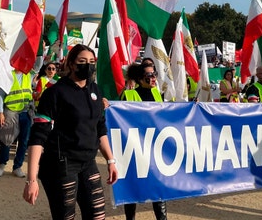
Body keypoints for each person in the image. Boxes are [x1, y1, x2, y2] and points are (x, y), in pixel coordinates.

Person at [23, 44, 118, 219]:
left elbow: (100, 129)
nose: (88, 65)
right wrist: (31, 179)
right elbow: (38, 137)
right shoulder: (55, 93)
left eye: (91, 61)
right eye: (82, 61)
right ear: (72, 64)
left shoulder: (95, 90)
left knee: (97, 215)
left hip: (88, 163)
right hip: (61, 165)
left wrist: (111, 160)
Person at [121, 62, 167, 220]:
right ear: (140, 79)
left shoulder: (157, 93)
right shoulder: (128, 95)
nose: (154, 78)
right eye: (150, 75)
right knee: (133, 185)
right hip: (134, 148)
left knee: (158, 185)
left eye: (155, 74)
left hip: (154, 147)